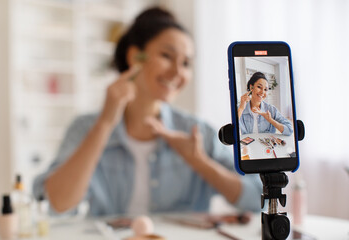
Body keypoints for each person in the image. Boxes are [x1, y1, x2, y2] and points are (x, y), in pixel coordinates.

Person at [33, 7, 262, 216]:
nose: (177, 72)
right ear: (135, 57)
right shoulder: (86, 128)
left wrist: (199, 161)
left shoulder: (197, 132)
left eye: (186, 63)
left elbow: (257, 198)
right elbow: (55, 204)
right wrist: (104, 124)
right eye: (166, 56)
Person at [238, 72, 293, 136]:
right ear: (251, 87)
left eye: (265, 89)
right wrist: (241, 109)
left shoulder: (271, 110)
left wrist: (271, 120)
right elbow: (232, 132)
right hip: (248, 146)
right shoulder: (241, 108)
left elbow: (290, 130)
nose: (262, 92)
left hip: (267, 145)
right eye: (259, 87)